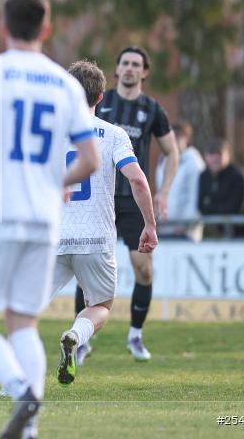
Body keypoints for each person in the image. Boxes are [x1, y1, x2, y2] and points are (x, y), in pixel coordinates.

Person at [0, 0, 99, 439]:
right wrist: (55, 182)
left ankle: (21, 389)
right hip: (42, 216)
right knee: (24, 323)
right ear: (47, 29)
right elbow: (90, 159)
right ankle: (31, 429)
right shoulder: (65, 84)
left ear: (2, 27)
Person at [53, 61, 158, 385]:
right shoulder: (114, 135)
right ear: (101, 97)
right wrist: (149, 225)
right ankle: (75, 334)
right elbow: (137, 181)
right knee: (100, 306)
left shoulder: (49, 134)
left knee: (24, 311)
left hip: (53, 238)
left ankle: (10, 384)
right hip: (96, 239)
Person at [82, 46, 178, 363]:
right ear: (117, 68)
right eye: (124, 62)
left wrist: (162, 191)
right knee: (86, 265)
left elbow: (171, 152)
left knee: (143, 269)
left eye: (136, 64)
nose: (129, 68)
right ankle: (82, 340)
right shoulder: (101, 101)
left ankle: (135, 335)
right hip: (99, 198)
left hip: (134, 202)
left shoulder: (152, 109)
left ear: (144, 72)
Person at [156, 122, 205, 241]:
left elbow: (194, 196)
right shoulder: (163, 161)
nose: (174, 141)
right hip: (165, 227)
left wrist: (186, 224)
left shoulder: (194, 163)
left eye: (178, 138)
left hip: (185, 231)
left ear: (186, 140)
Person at [199, 138, 244, 238]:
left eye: (219, 155)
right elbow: (201, 206)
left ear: (228, 156)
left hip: (239, 234)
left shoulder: (238, 176)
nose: (215, 159)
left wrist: (210, 204)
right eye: (211, 155)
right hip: (210, 233)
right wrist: (220, 206)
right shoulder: (204, 176)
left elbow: (234, 208)